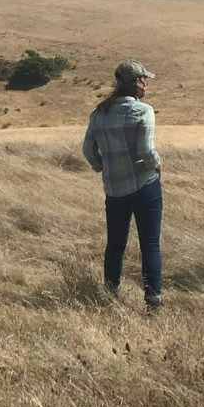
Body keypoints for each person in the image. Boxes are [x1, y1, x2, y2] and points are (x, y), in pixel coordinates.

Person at [82, 60, 164, 307]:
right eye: (144, 81)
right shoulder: (143, 111)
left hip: (114, 189)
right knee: (149, 243)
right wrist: (157, 164)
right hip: (144, 184)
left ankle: (110, 292)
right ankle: (153, 297)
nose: (146, 86)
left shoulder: (98, 114)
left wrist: (101, 166)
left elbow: (87, 149)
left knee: (115, 244)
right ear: (137, 82)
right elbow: (147, 150)